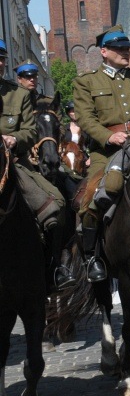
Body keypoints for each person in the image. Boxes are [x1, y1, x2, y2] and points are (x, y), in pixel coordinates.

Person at [73, 25, 130, 282]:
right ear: (104, 51)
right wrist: (108, 136)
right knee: (93, 195)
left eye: (127, 48)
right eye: (119, 48)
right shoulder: (86, 82)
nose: (126, 52)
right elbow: (86, 119)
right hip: (106, 151)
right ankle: (93, 257)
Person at [1, 43, 73, 290]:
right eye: (27, 76)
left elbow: (31, 131)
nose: (31, 80)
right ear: (20, 76)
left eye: (1, 59)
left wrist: (15, 139)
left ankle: (55, 267)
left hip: (16, 163)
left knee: (57, 203)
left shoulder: (18, 95)